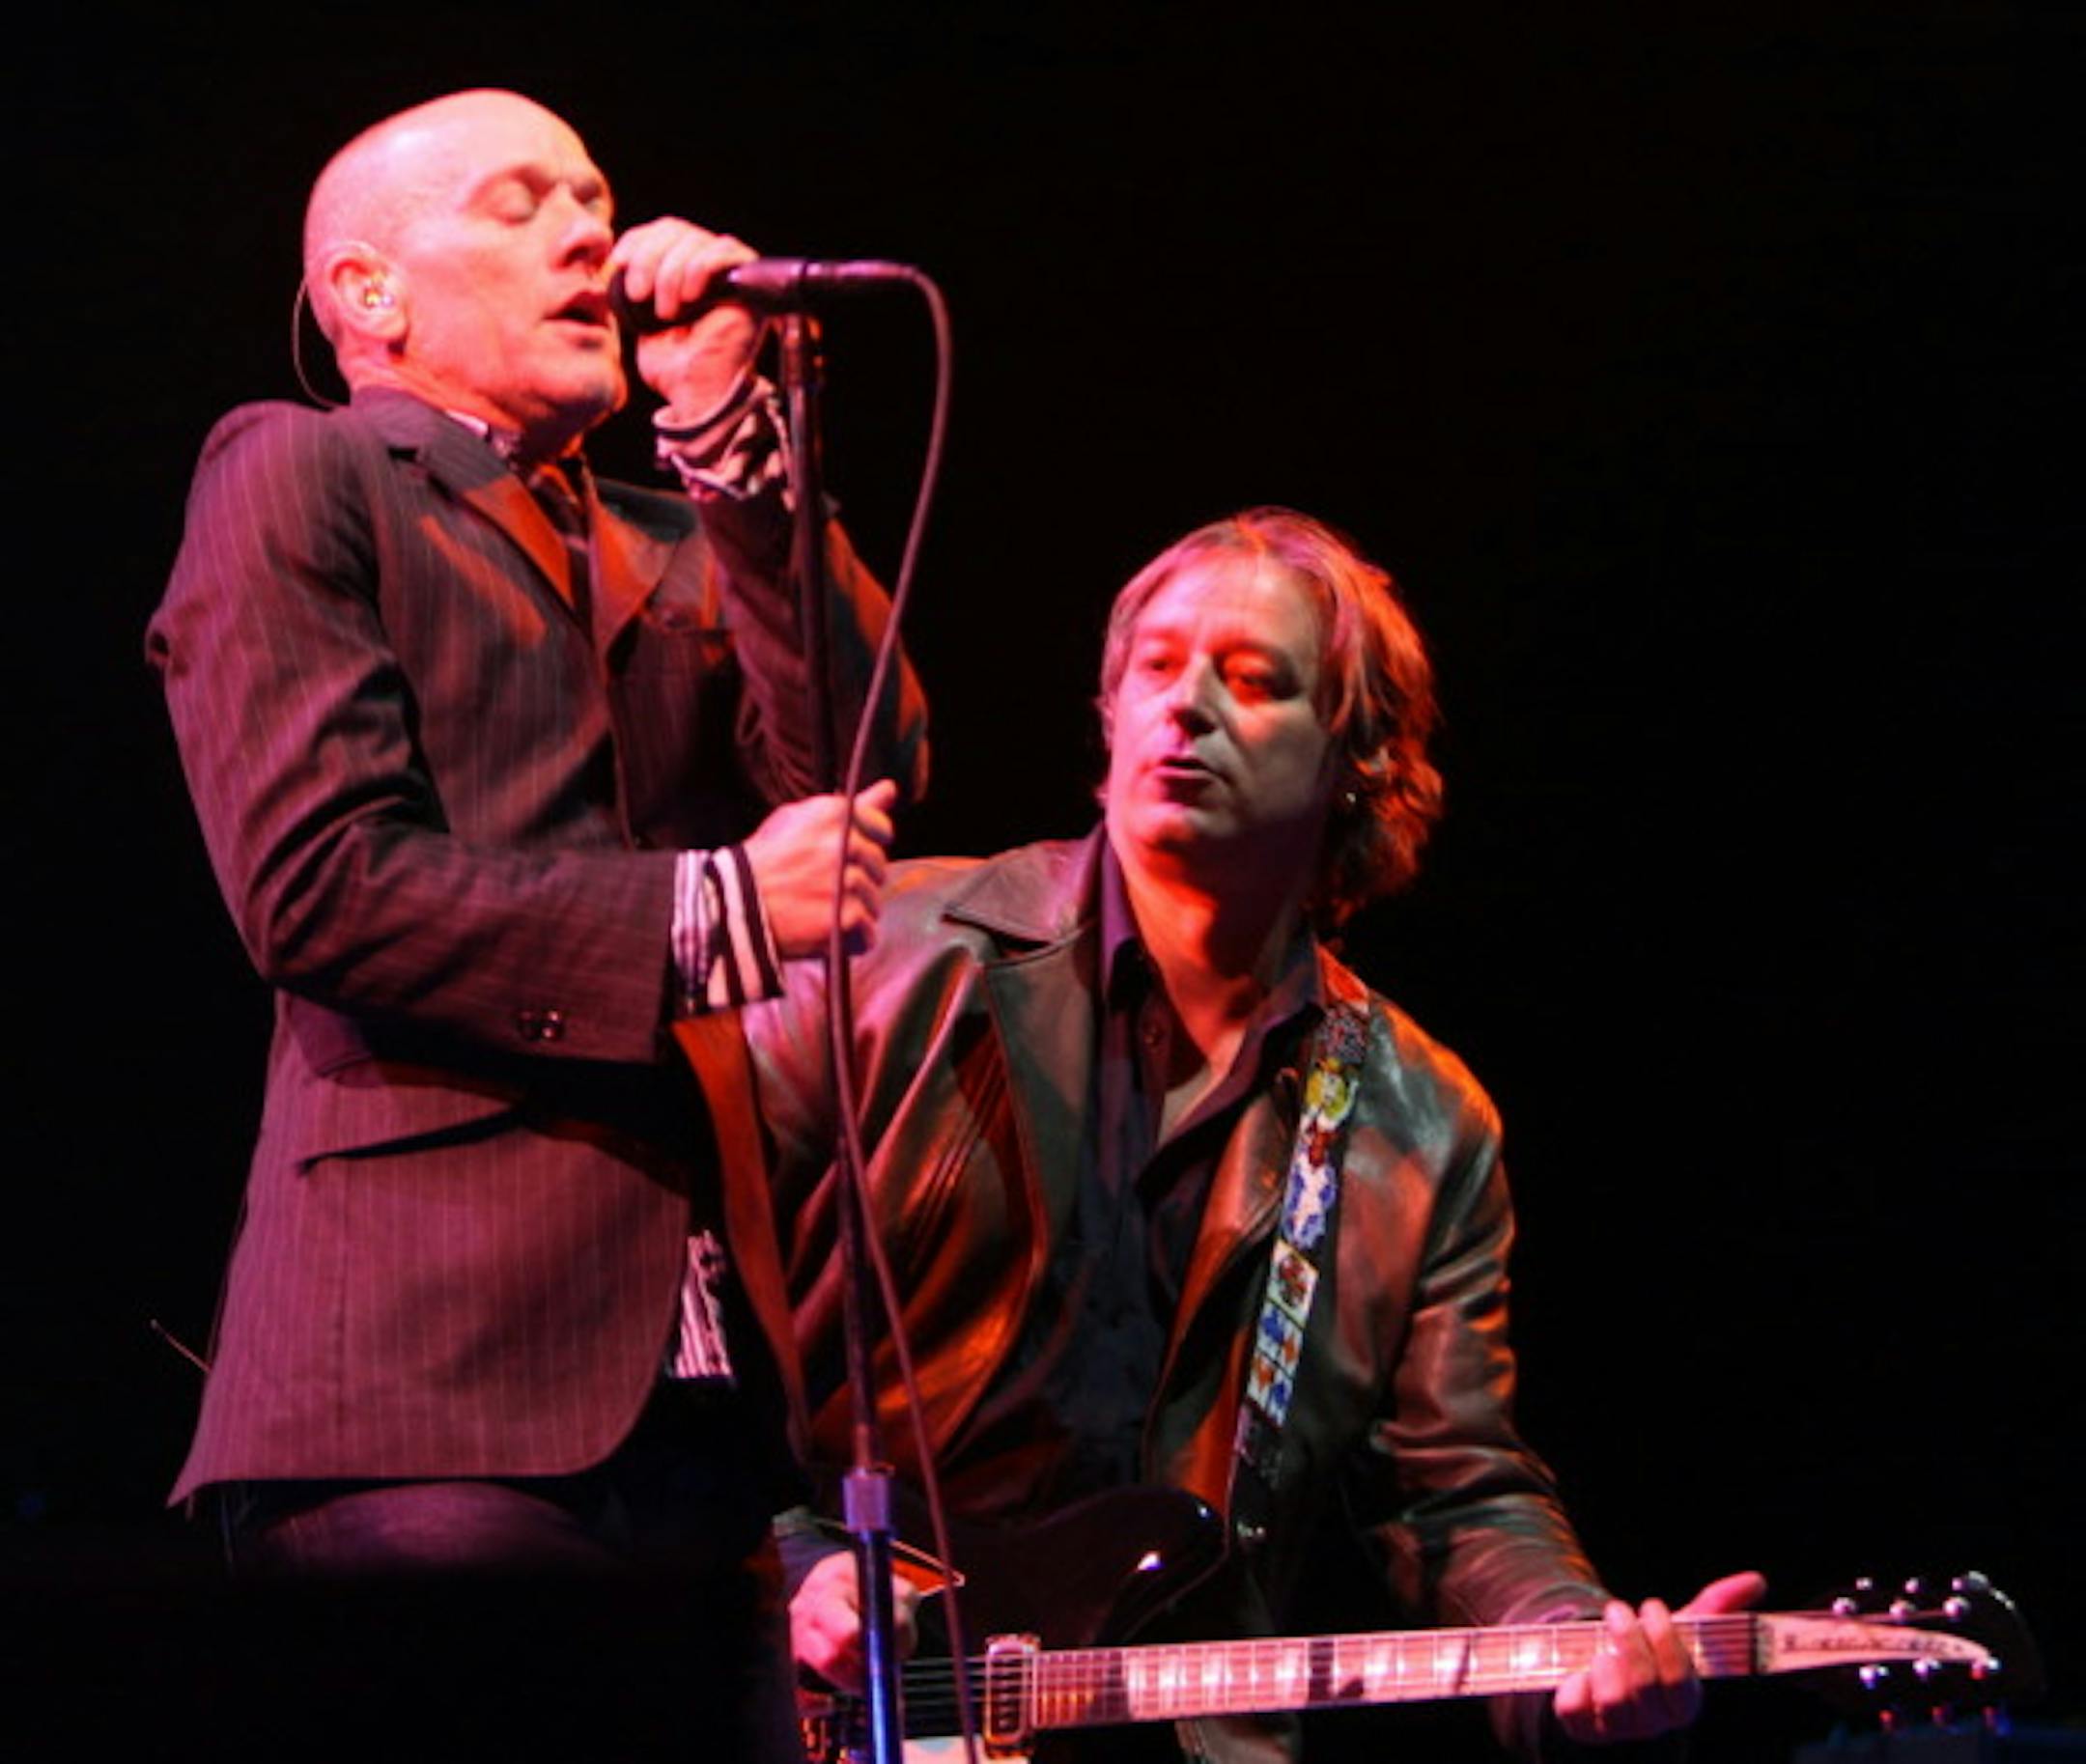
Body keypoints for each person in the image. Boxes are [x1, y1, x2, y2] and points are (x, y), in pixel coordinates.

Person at [147, 88, 924, 1756]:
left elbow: (867, 760)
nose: (590, 230)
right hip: (419, 1398)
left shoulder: (675, 531)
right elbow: (322, 886)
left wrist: (730, 437)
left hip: (697, 1431)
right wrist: (717, 913)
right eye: (519, 204)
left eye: (594, 195)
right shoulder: (304, 470)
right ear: (371, 294)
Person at [736, 509, 1760, 1760]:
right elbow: (673, 1306)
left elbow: (1454, 1492)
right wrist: (786, 1567)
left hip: (1173, 1731)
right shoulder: (880, 959)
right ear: (1108, 716)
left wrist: (1576, 1639)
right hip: (838, 1700)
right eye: (1155, 669)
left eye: (1255, 680)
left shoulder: (1417, 1120)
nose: (1188, 707)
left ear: (1354, 760)